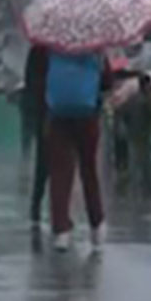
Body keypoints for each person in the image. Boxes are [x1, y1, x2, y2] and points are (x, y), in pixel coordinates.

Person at [43, 48, 109, 252]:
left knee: (60, 173)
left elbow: (40, 79)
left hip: (59, 114)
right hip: (87, 114)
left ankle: (61, 230)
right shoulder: (96, 49)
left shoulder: (53, 47)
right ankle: (96, 225)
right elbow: (107, 82)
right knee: (88, 169)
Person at [22, 43, 51, 226]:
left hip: (44, 111)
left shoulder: (38, 49)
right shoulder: (71, 49)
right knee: (55, 163)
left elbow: (30, 80)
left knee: (44, 161)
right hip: (54, 110)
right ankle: (40, 205)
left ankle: (36, 205)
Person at [117, 73, 151, 195]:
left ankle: (133, 187)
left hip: (133, 135)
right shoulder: (146, 100)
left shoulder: (132, 99)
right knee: (144, 163)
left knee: (136, 162)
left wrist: (124, 124)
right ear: (145, 85)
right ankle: (146, 189)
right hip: (143, 135)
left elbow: (120, 111)